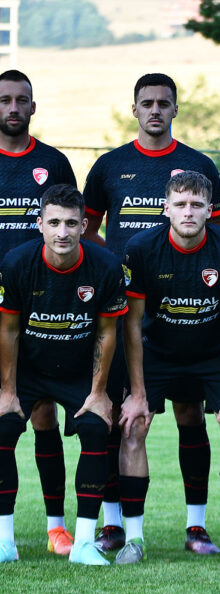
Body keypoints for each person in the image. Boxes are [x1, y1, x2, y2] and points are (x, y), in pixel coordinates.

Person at [83, 73, 220, 554]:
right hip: (124, 312)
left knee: (190, 415)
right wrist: (115, 267)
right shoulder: (110, 166)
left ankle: (196, 526)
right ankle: (114, 525)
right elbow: (88, 230)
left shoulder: (199, 165)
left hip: (187, 313)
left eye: (164, 103)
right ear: (135, 109)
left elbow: (219, 236)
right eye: (147, 103)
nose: (155, 111)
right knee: (120, 418)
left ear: (175, 109)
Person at [117, 170, 220, 566]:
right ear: (166, 208)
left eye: (197, 204)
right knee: (134, 424)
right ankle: (133, 539)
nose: (188, 212)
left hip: (214, 352)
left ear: (210, 210)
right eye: (180, 204)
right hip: (157, 351)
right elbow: (131, 322)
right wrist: (138, 393)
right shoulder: (141, 248)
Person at [0, 184, 128, 565]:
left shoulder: (105, 266)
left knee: (96, 428)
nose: (62, 232)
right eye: (54, 222)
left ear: (84, 226)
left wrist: (99, 392)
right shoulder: (16, 263)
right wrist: (7, 391)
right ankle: (4, 542)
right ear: (40, 224)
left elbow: (107, 332)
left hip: (77, 369)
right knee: (3, 427)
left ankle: (84, 543)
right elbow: (8, 330)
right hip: (29, 368)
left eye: (71, 223)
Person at [0, 69, 77, 555]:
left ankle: (55, 527)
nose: (13, 107)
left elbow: (71, 229)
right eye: (4, 99)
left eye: (20, 100)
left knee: (43, 414)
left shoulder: (53, 162)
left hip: (42, 309)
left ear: (33, 106)